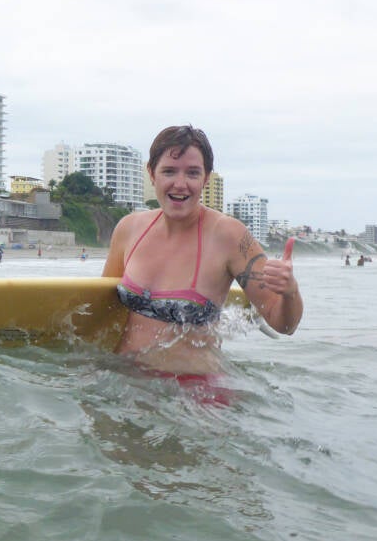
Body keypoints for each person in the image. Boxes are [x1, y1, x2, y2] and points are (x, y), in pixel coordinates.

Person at [102, 125, 303, 379]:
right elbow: (102, 309)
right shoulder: (128, 229)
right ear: (152, 174)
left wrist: (290, 292)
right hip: (125, 382)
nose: (180, 184)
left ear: (206, 179)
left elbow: (284, 325)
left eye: (193, 173)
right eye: (169, 171)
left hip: (193, 396)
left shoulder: (228, 236)